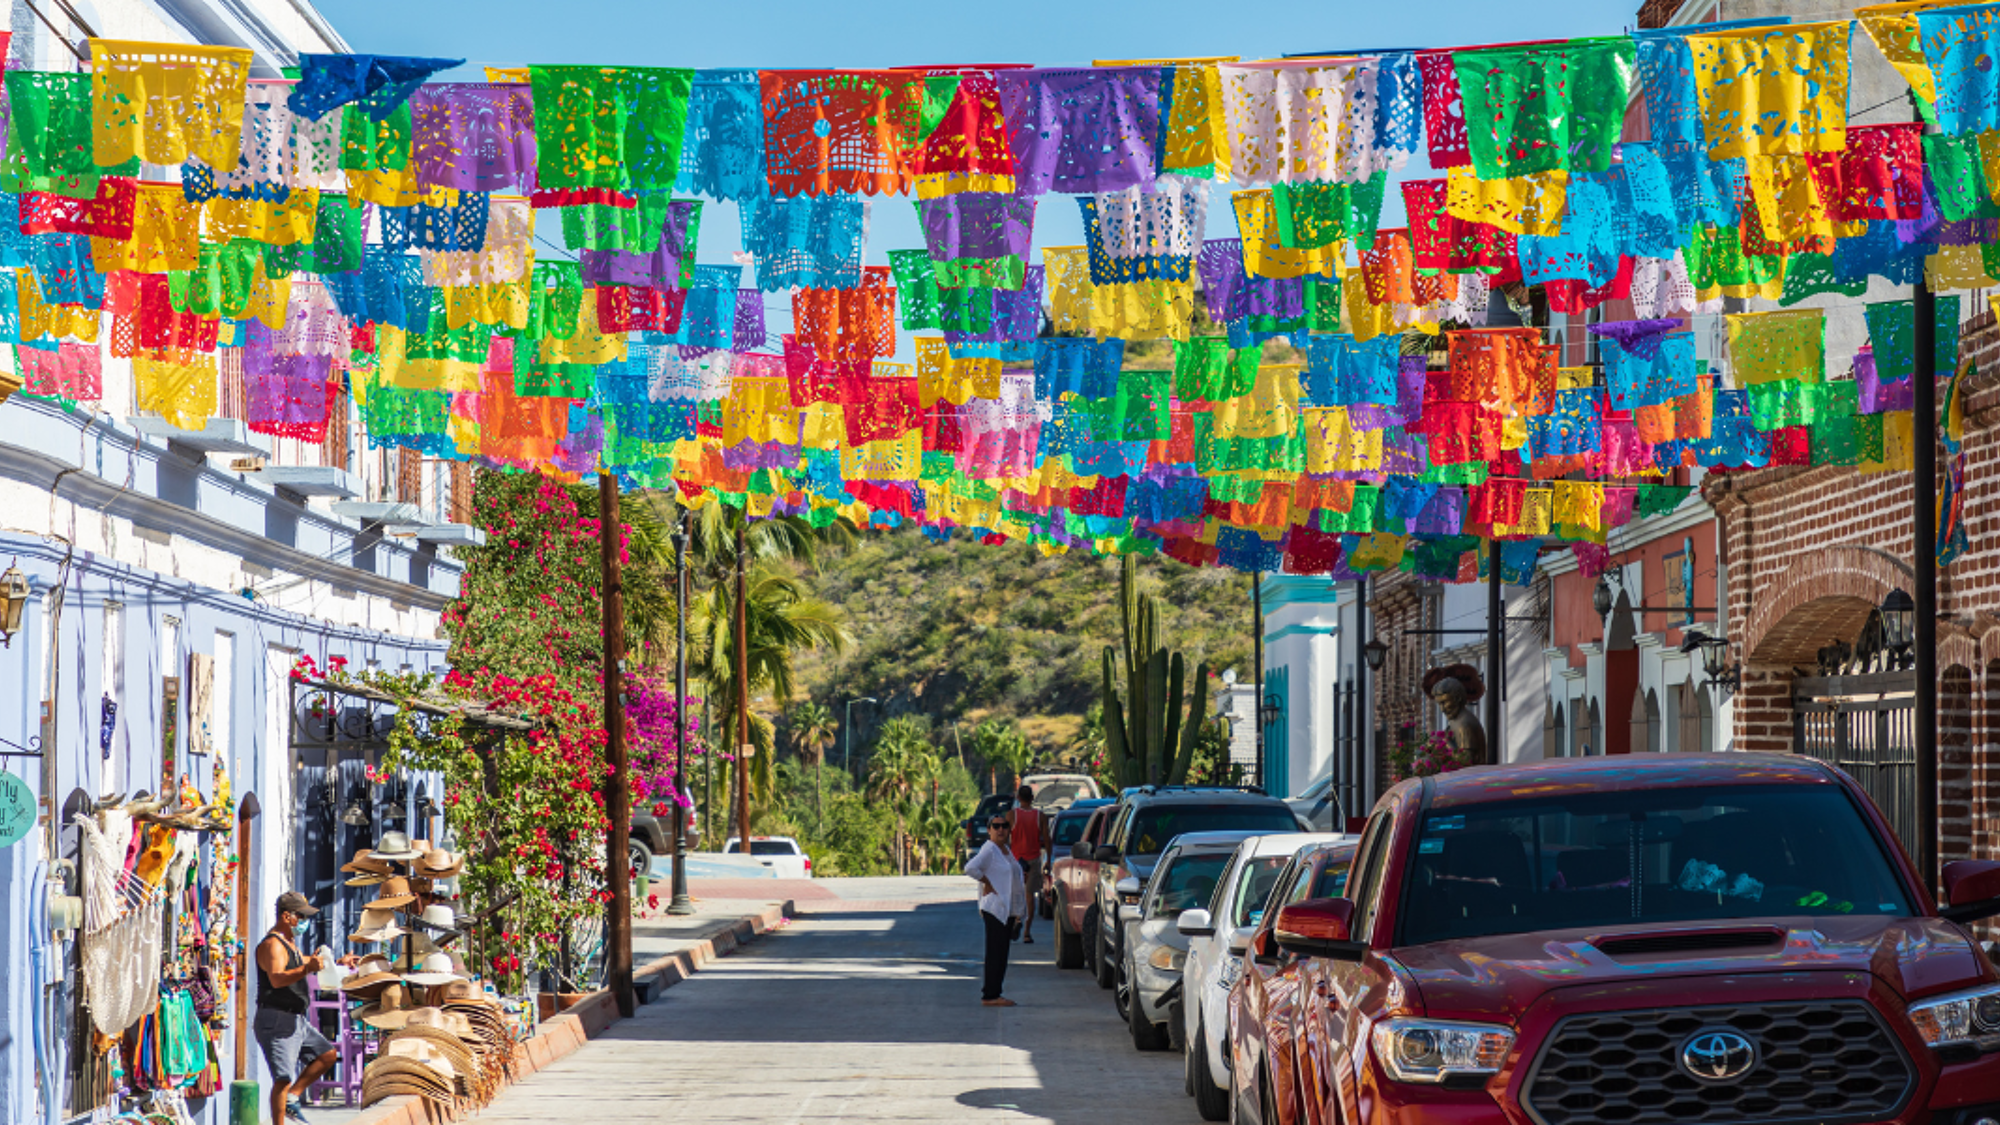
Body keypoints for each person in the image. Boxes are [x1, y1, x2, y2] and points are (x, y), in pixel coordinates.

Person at [255, 891, 341, 1124]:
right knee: (282, 1078)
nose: (304, 922)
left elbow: (302, 960)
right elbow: (277, 979)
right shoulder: (273, 944)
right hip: (276, 1019)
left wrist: (335, 963)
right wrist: (307, 969)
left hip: (295, 1020)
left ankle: (293, 1097)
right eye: (301, 917)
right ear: (287, 916)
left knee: (326, 1055)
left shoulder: (289, 943)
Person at [964, 812, 1026, 1007]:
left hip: (1006, 910)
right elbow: (970, 868)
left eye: (1004, 826)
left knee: (1001, 953)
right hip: (995, 909)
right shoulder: (989, 850)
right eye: (996, 826)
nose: (1001, 830)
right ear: (989, 830)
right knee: (995, 953)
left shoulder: (1005, 850)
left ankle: (995, 992)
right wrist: (987, 883)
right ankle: (990, 995)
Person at [1008, 785, 1046, 943]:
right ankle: (1027, 932)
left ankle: (1017, 919)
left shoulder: (1011, 815)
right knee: (1030, 897)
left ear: (1018, 798)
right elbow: (1047, 840)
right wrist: (1048, 860)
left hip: (1016, 860)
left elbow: (1004, 837)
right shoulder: (1040, 816)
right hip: (1033, 860)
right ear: (1032, 798)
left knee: (1015, 894)